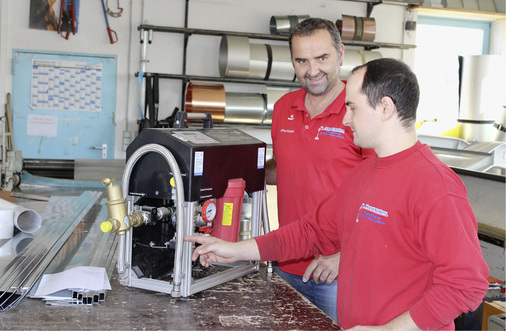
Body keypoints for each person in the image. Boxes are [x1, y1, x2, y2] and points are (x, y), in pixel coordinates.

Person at [186, 58, 490, 330]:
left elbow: (466, 285)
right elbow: (310, 233)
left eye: (353, 107)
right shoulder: (363, 174)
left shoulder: (436, 186)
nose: (345, 119)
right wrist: (235, 250)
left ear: (385, 108)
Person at [265, 17, 372, 322]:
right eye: (302, 60)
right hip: (287, 263)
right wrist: (239, 171)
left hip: (338, 272)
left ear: (340, 54)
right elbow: (286, 168)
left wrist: (345, 256)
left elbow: (384, 194)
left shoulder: (361, 110)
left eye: (322, 58)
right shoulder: (284, 107)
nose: (312, 71)